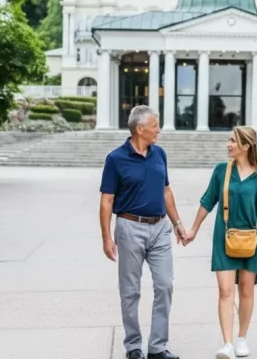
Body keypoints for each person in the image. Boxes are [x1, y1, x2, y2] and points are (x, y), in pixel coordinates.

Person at [99, 105, 187, 359]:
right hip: (129, 228)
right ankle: (133, 346)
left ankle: (157, 347)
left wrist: (178, 223)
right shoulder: (116, 159)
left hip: (160, 228)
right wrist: (106, 237)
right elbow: (106, 201)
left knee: (165, 285)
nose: (158, 130)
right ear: (140, 129)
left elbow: (166, 191)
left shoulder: (160, 154)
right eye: (155, 125)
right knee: (130, 290)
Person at [183, 126, 257, 359]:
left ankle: (241, 338)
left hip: (251, 240)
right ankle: (227, 344)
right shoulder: (221, 171)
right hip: (223, 238)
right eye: (229, 140)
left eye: (233, 141)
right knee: (225, 291)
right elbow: (207, 201)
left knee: (246, 290)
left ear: (246, 146)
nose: (228, 144)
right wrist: (193, 229)